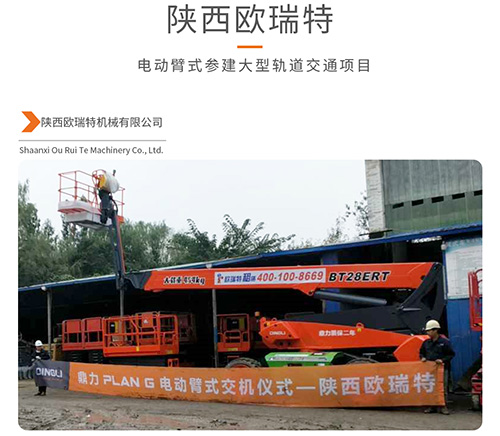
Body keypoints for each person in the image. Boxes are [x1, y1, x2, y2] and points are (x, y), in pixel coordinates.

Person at [419, 320, 455, 415]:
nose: (428, 333)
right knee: (431, 387)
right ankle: (432, 406)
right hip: (430, 370)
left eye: (429, 330)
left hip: (442, 369)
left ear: (435, 330)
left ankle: (443, 406)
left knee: (442, 388)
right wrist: (422, 358)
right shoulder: (426, 343)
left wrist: (442, 360)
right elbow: (421, 353)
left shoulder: (444, 342)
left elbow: (451, 354)